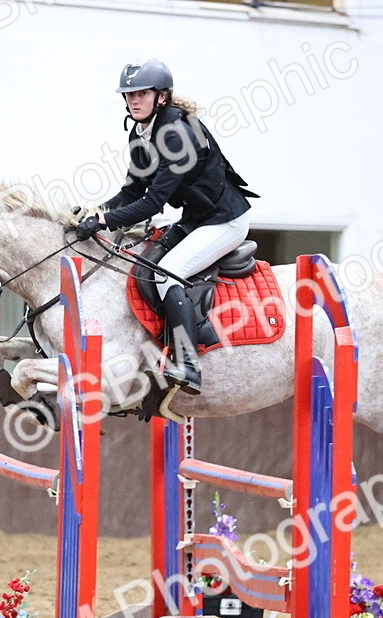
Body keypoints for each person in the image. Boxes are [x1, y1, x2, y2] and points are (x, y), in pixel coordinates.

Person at [75, 59, 256, 396]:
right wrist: (96, 210)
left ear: (161, 97)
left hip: (225, 221)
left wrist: (105, 221)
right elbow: (132, 190)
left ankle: (188, 364)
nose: (133, 101)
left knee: (168, 271)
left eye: (141, 93)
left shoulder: (177, 134)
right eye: (128, 95)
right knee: (146, 262)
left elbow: (152, 203)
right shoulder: (140, 132)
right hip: (196, 218)